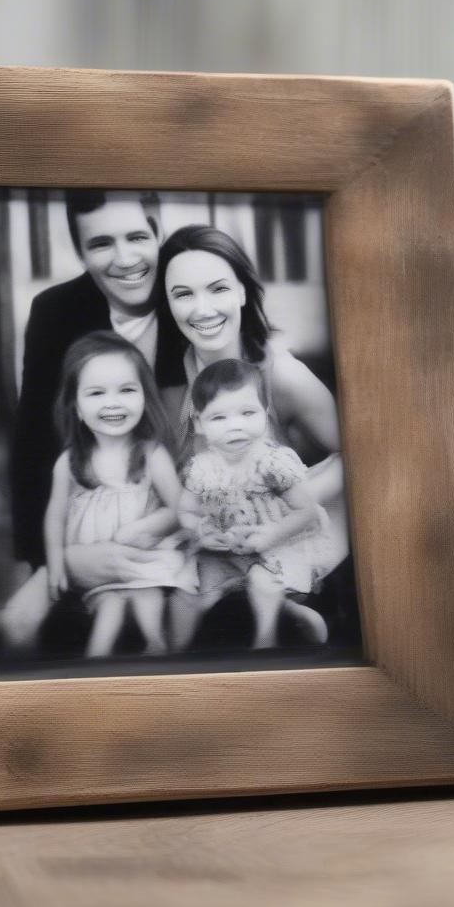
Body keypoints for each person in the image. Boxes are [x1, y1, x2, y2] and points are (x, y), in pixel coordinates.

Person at [1, 191, 187, 649]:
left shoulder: (190, 295)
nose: (124, 259)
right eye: (101, 244)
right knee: (23, 627)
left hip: (174, 510)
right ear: (81, 252)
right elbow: (32, 438)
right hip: (92, 513)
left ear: (158, 233)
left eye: (137, 237)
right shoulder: (56, 311)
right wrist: (47, 557)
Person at [153, 223, 352, 647]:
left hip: (288, 523)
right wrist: (194, 528)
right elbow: (182, 488)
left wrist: (285, 511)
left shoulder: (281, 374)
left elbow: (360, 458)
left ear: (243, 291)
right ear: (167, 305)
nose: (203, 309)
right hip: (221, 531)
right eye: (183, 294)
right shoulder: (171, 389)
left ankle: (283, 614)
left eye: (218, 289)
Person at [37, 332, 192, 656]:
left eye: (126, 390)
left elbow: (181, 508)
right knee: (108, 606)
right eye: (96, 393)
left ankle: (156, 645)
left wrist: (148, 527)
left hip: (143, 560)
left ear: (144, 399)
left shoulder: (151, 454)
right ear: (76, 406)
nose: (112, 402)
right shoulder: (69, 462)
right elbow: (55, 517)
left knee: (146, 595)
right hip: (98, 570)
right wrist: (55, 565)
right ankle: (97, 661)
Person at [178, 359, 332, 649]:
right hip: (224, 550)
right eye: (219, 418)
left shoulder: (273, 462)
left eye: (247, 413)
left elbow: (307, 511)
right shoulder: (202, 467)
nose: (235, 427)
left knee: (263, 583)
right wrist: (200, 531)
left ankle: (265, 641)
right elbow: (185, 510)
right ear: (199, 423)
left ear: (265, 412)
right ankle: (180, 652)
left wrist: (270, 534)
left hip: (277, 545)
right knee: (196, 591)